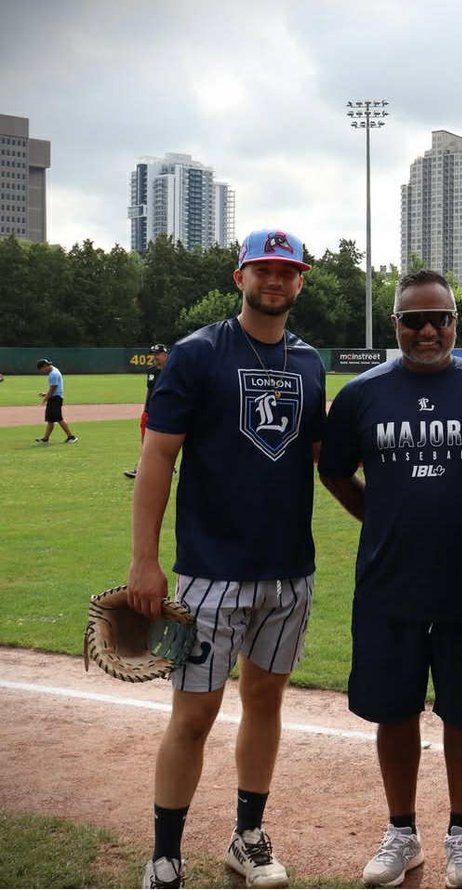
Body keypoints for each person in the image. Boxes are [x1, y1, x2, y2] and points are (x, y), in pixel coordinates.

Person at [126, 228, 326, 890]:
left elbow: (318, 458)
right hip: (206, 576)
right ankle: (165, 854)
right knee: (193, 712)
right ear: (240, 276)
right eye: (263, 269)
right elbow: (158, 456)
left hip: (289, 573)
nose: (275, 280)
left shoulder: (310, 363)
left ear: (300, 282)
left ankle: (247, 838)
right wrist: (144, 564)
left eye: (287, 271)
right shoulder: (195, 354)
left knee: (266, 700)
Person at [319, 269, 462, 889]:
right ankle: (401, 830)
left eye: (440, 319)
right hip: (389, 583)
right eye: (413, 320)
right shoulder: (361, 395)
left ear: (456, 323)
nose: (427, 330)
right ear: (395, 323)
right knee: (394, 712)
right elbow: (334, 472)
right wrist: (377, 517)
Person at [125, 344, 170, 478]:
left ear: (165, 355)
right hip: (150, 412)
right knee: (146, 441)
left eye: (157, 354)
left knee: (165, 442)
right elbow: (149, 390)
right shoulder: (151, 371)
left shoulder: (172, 371)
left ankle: (167, 466)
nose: (155, 357)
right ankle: (140, 468)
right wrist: (145, 409)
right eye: (153, 354)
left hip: (165, 412)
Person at [34, 358, 78, 444]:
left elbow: (52, 388)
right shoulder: (54, 371)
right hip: (54, 397)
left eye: (42, 369)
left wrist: (45, 399)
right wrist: (46, 394)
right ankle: (45, 439)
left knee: (58, 418)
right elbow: (53, 388)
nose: (42, 372)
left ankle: (71, 437)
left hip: (55, 399)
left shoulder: (53, 374)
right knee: (50, 420)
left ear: (45, 366)